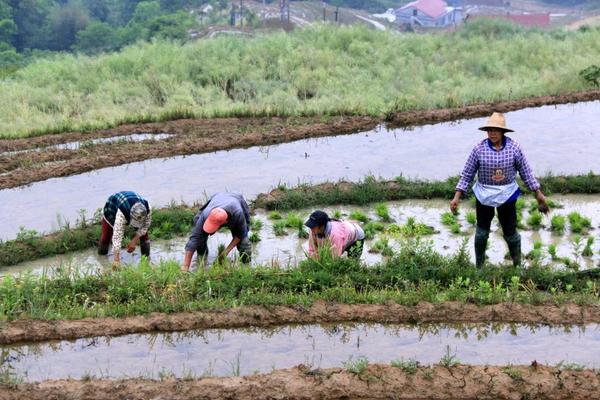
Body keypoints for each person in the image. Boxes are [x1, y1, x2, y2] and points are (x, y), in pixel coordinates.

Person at [450, 112, 548, 267]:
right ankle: (479, 267)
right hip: (484, 194)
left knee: (510, 233)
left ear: (502, 131)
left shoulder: (514, 148)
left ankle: (517, 265)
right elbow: (467, 173)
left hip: (507, 194)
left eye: (495, 130)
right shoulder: (479, 149)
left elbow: (526, 172)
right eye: (489, 130)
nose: (492, 133)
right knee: (482, 232)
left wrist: (538, 193)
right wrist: (457, 196)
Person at [181, 192, 251, 271]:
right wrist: (185, 266)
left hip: (237, 200)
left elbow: (239, 235)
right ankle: (202, 255)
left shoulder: (238, 214)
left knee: (244, 242)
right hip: (217, 198)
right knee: (199, 232)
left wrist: (224, 253)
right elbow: (194, 239)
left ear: (224, 223)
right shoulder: (206, 213)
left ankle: (246, 266)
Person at [98, 191, 152, 266]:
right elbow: (117, 236)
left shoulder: (147, 208)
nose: (136, 225)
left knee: (144, 235)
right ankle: (102, 258)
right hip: (112, 206)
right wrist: (116, 260)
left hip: (129, 201)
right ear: (130, 216)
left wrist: (134, 241)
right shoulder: (122, 213)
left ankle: (146, 259)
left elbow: (145, 226)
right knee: (106, 235)